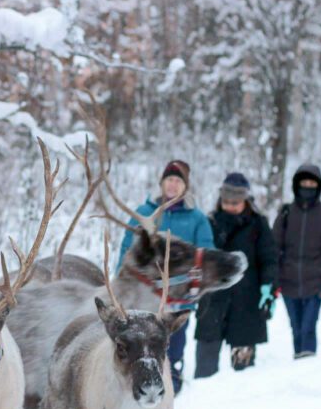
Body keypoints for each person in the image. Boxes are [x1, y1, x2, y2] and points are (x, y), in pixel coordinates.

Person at [117, 159, 214, 394]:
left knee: (172, 352)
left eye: (178, 181)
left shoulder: (197, 218)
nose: (172, 185)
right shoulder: (144, 213)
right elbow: (126, 249)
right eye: (169, 179)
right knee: (141, 352)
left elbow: (205, 253)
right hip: (143, 300)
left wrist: (196, 287)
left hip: (177, 300)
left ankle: (171, 399)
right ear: (161, 183)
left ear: (185, 187)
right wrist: (120, 283)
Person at [194, 173, 278, 377]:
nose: (230, 206)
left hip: (247, 304)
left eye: (235, 202)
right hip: (213, 300)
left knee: (244, 374)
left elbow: (269, 259)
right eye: (226, 201)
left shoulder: (258, 225)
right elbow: (199, 256)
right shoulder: (210, 223)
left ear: (246, 201)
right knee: (205, 370)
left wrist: (269, 289)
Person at [273, 163, 321, 359]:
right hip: (288, 281)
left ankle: (308, 364)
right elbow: (274, 248)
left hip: (316, 282)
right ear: (296, 185)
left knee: (308, 327)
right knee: (296, 328)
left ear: (319, 187)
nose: (307, 187)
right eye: (304, 183)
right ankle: (300, 366)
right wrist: (273, 280)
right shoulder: (286, 213)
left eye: (312, 183)